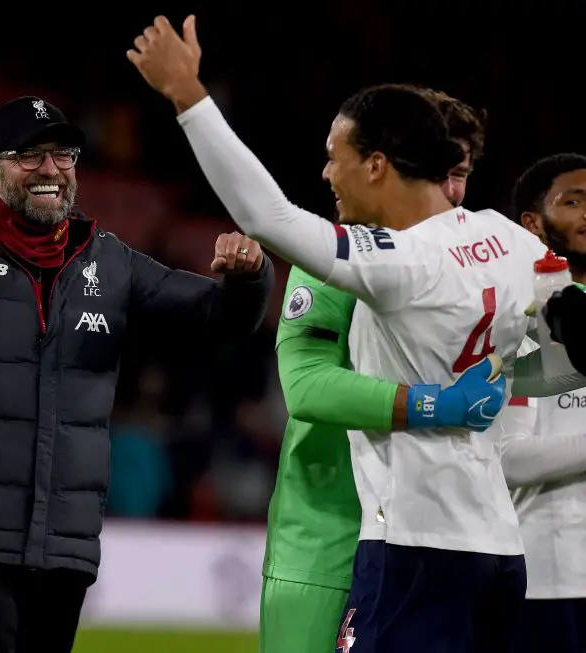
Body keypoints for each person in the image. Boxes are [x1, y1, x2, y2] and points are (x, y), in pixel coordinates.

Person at [126, 16, 586, 652]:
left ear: (376, 165)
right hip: (499, 549)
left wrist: (188, 97)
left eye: (333, 157)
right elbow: (564, 340)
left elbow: (269, 216)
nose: (325, 173)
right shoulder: (510, 240)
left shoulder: (401, 262)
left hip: (411, 544)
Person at [0, 95, 274, 653]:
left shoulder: (110, 262)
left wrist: (250, 276)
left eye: (63, 155)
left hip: (61, 548)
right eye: (29, 156)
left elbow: (224, 318)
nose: (50, 169)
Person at [261, 89, 494, 653]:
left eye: (458, 173)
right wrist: (439, 404)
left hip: (446, 542)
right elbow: (307, 388)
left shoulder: (484, 268)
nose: (446, 190)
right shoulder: (334, 259)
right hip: (328, 545)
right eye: (434, 169)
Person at [503, 153, 586, 651]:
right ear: (533, 224)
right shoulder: (524, 325)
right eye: (572, 202)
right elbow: (510, 460)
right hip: (553, 581)